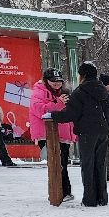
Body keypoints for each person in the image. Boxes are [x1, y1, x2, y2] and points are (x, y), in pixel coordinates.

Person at [50, 61, 109, 206]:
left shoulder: (79, 92)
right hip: (102, 132)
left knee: (88, 166)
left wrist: (53, 115)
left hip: (87, 133)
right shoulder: (104, 91)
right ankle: (102, 198)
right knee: (100, 165)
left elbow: (70, 114)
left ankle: (90, 199)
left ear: (83, 75)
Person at [28, 69, 73, 201]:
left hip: (62, 133)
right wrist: (58, 103)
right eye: (54, 82)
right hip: (46, 134)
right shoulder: (38, 92)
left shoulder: (63, 93)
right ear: (46, 81)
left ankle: (65, 192)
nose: (57, 84)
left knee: (62, 162)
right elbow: (39, 110)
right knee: (56, 163)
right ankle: (58, 192)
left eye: (59, 81)